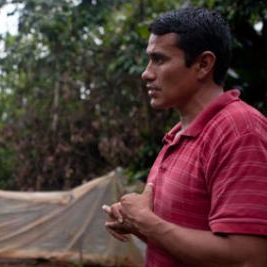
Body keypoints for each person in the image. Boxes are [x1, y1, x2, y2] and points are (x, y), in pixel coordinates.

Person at [102, 7, 267, 267]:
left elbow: (249, 257)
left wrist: (148, 224)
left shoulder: (240, 131)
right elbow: (178, 233)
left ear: (203, 64)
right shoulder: (179, 135)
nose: (146, 73)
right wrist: (135, 221)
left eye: (159, 59)